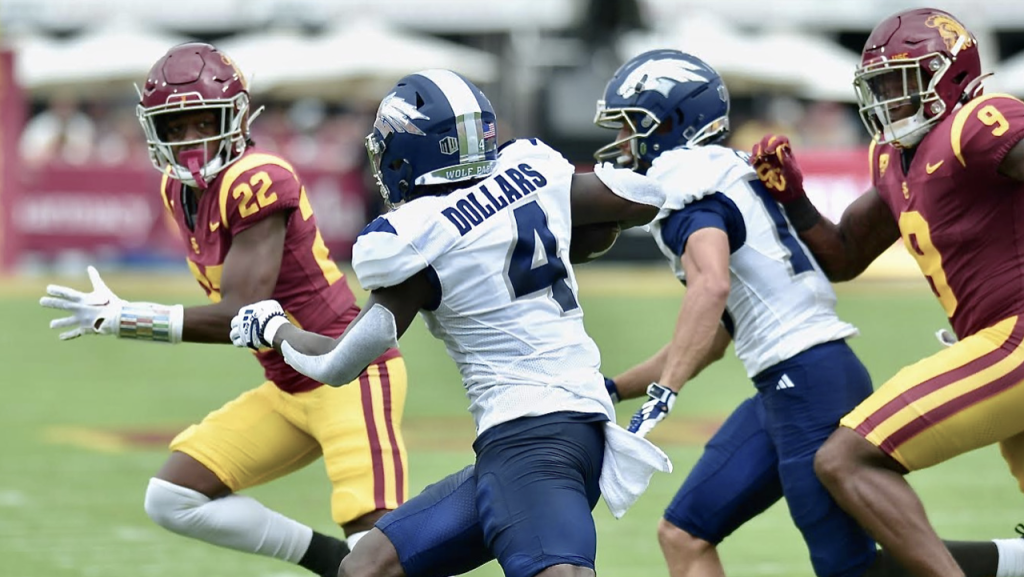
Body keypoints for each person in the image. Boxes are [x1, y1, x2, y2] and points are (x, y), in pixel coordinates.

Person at [598, 48, 1024, 577]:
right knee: (682, 532)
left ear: (669, 122)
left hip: (812, 380)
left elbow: (710, 286)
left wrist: (667, 393)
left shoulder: (688, 186)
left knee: (849, 553)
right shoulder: (730, 171)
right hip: (785, 381)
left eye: (628, 126)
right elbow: (718, 330)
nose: (621, 142)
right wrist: (614, 387)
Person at [230, 68, 672, 577]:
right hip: (549, 435)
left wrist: (272, 327)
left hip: (532, 438)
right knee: (365, 568)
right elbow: (641, 200)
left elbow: (336, 363)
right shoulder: (531, 173)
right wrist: (555, 242)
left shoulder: (419, 237)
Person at [38, 43, 407, 577]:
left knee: (375, 559)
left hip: (345, 374)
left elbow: (243, 311)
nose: (192, 140)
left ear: (234, 117)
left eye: (203, 121)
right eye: (176, 126)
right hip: (288, 386)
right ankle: (326, 562)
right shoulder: (176, 191)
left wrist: (123, 318)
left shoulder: (257, 178)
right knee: (170, 497)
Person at [749, 8, 1024, 577]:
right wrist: (794, 200)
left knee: (847, 458)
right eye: (879, 87)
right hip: (997, 345)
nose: (889, 101)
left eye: (902, 83)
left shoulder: (979, 120)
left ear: (950, 76)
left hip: (1014, 338)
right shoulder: (894, 158)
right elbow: (845, 255)